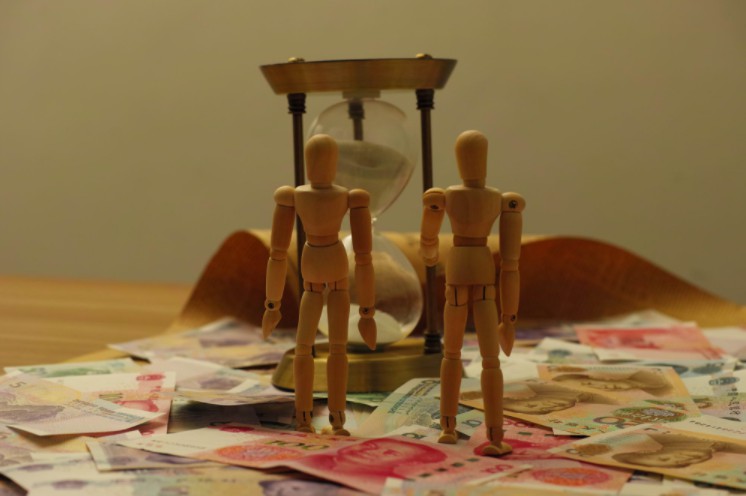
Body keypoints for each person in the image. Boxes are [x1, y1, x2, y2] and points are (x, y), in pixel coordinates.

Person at [262, 135, 376, 435]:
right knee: (306, 348)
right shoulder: (294, 196)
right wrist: (272, 303)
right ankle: (304, 416)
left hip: (333, 275)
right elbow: (276, 253)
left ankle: (337, 417)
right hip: (313, 275)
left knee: (333, 349)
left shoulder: (348, 197)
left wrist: (367, 310)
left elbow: (364, 256)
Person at [419, 130, 524, 456]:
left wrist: (509, 317)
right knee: (470, 357)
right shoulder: (483, 198)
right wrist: (509, 316)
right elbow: (510, 265)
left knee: (467, 357)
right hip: (473, 278)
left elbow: (511, 263)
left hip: (470, 278)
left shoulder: (472, 198)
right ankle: (460, 428)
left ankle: (478, 431)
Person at [300, 438, 447, 482]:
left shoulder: (390, 486)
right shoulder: (311, 460)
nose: (369, 451)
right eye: (370, 445)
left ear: (408, 463)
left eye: (390, 453)